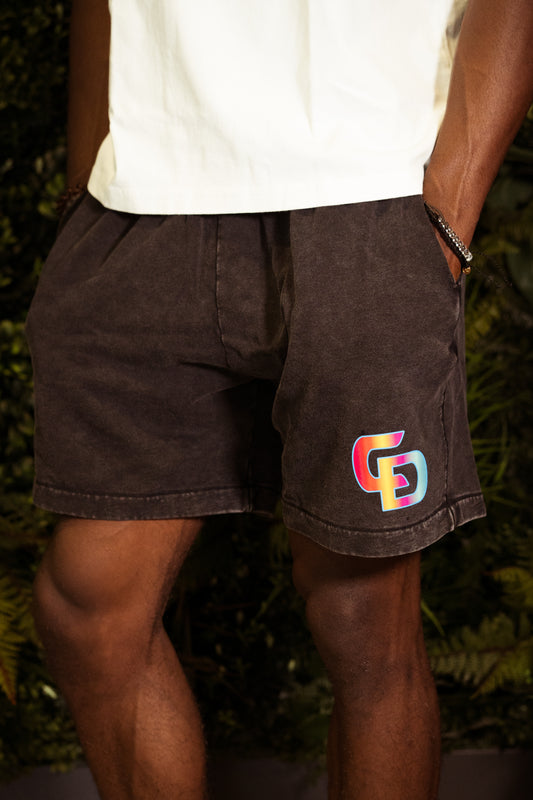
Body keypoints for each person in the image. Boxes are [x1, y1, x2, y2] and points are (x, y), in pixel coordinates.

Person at [26, 1, 533, 798]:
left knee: (362, 616)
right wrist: (84, 184)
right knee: (89, 607)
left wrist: (447, 221)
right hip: (141, 206)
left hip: (366, 198)